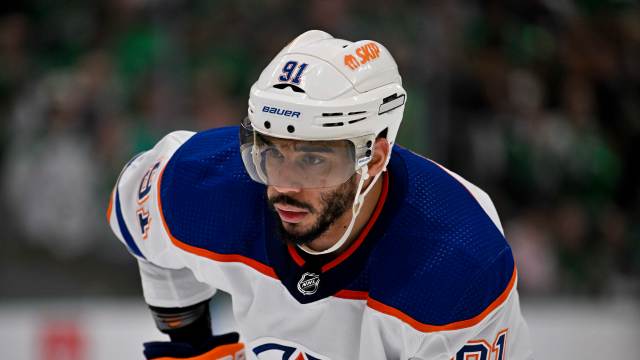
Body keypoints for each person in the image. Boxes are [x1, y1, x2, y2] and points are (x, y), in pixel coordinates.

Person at [107, 30, 533, 360]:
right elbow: (142, 229)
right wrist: (191, 343)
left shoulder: (457, 262)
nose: (286, 186)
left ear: (376, 157)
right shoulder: (198, 183)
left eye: (313, 160)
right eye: (271, 153)